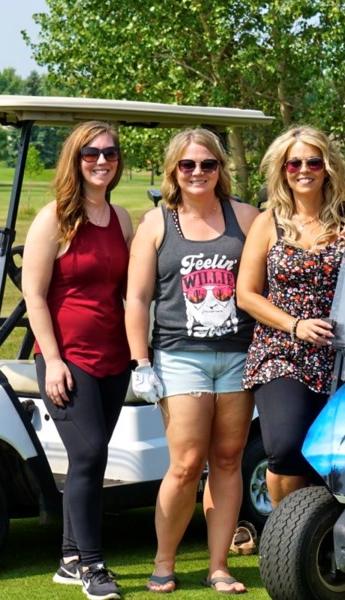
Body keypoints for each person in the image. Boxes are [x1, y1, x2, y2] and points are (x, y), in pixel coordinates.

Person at [126, 128, 260, 595]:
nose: (198, 172)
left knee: (227, 460)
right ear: (174, 171)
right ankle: (164, 562)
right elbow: (138, 298)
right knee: (185, 462)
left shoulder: (246, 217)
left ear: (221, 169)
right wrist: (140, 361)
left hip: (239, 355)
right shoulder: (157, 223)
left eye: (208, 164)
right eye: (188, 165)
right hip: (180, 357)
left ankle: (218, 565)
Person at [236, 125, 345, 510]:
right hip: (281, 349)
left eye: (313, 161)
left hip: (342, 354)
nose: (304, 169)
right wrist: (295, 325)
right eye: (294, 163)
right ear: (283, 170)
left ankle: (322, 538)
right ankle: (288, 534)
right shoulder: (267, 222)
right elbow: (246, 294)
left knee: (338, 456)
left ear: (327, 168)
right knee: (286, 447)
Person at [22, 121, 134, 600]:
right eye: (91, 153)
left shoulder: (122, 218)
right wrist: (53, 359)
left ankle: (69, 557)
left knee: (91, 456)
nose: (101, 161)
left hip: (115, 357)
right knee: (88, 455)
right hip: (67, 359)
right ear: (76, 159)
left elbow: (131, 293)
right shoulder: (54, 218)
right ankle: (92, 565)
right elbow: (34, 292)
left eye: (109, 153)